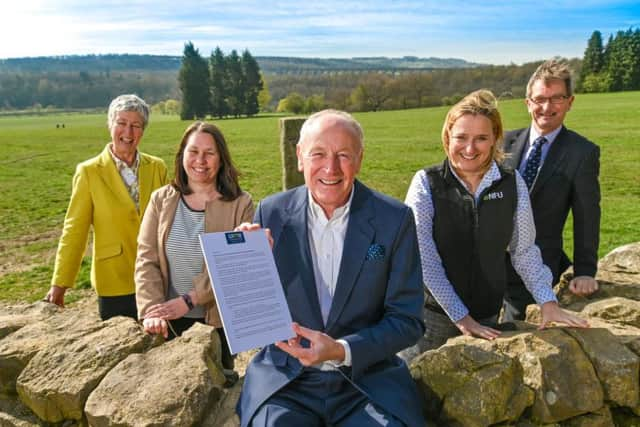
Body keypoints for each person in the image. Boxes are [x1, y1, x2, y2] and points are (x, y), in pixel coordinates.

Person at [236, 110, 425, 427]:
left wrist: (341, 350)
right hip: (287, 382)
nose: (330, 168)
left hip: (366, 381)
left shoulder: (395, 219)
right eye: (318, 154)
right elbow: (251, 316)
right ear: (300, 157)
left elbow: (407, 320)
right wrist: (247, 267)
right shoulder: (271, 212)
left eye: (343, 155)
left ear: (360, 159)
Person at [399, 90, 588, 360]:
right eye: (461, 137)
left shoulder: (511, 183)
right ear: (447, 137)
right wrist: (461, 318)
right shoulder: (426, 183)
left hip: (487, 315)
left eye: (481, 138)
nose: (470, 148)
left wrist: (547, 301)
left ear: (495, 140)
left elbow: (524, 251)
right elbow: (423, 259)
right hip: (432, 319)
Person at [135, 121, 254, 379]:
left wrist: (189, 300)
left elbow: (234, 270)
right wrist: (152, 311)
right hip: (168, 321)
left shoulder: (240, 204)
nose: (201, 160)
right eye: (194, 151)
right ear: (182, 156)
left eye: (209, 153)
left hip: (217, 323)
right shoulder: (161, 199)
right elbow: (147, 259)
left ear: (221, 159)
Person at [45, 94, 168, 320]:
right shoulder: (89, 172)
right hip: (114, 283)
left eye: (136, 126)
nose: (128, 133)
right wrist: (60, 283)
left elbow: (171, 222)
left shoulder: (157, 167)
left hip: (156, 279)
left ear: (143, 130)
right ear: (110, 124)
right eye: (121, 123)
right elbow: (75, 230)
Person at [502, 59, 601, 321]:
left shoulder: (582, 153)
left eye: (557, 98)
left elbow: (587, 214)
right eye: (540, 99)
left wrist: (584, 270)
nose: (547, 107)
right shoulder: (501, 141)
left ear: (570, 102)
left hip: (537, 267)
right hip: (485, 264)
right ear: (527, 103)